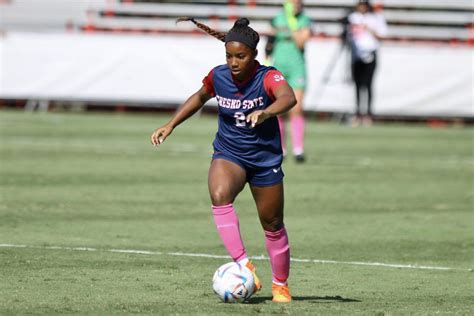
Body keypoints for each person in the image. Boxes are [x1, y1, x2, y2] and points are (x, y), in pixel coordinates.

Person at [150, 17, 297, 303]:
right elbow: (199, 96)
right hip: (230, 152)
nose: (233, 62)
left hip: (265, 159)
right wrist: (171, 124)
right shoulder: (218, 76)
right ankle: (244, 266)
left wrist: (266, 112)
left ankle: (280, 284)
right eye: (229, 56)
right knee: (219, 195)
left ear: (254, 55)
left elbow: (288, 97)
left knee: (273, 223)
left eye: (240, 56)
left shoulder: (268, 76)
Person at [265, 0, 312, 162]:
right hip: (279, 66)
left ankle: (298, 149)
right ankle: (281, 148)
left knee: (297, 108)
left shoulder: (304, 20)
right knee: (279, 109)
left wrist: (291, 25)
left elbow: (301, 42)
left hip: (297, 67)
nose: (296, 4)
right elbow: (269, 41)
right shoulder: (277, 18)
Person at [347, 0, 387, 126]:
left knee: (368, 85)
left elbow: (382, 35)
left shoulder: (376, 18)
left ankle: (368, 114)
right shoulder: (352, 17)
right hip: (356, 56)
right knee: (358, 85)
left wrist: (369, 29)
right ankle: (358, 113)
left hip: (371, 54)